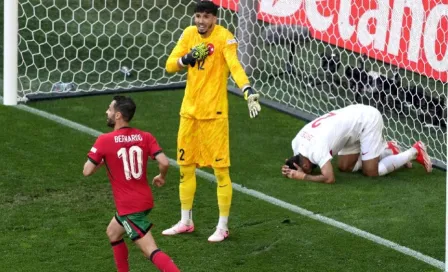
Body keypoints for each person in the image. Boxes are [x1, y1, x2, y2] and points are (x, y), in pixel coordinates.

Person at [162, 0, 261, 242]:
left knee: (220, 172)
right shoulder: (188, 34)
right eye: (198, 16)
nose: (201, 21)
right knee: (185, 169)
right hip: (189, 114)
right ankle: (186, 221)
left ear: (214, 18)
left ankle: (223, 227)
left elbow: (235, 66)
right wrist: (187, 58)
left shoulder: (224, 38)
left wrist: (247, 89)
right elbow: (169, 66)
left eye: (206, 17)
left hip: (214, 116)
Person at [83, 96, 180, 272]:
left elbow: (87, 171)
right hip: (144, 201)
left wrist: (103, 159)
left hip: (129, 207)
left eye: (110, 109)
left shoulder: (104, 140)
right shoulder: (145, 136)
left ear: (118, 115)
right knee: (113, 232)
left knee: (150, 250)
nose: (107, 112)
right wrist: (161, 176)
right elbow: (164, 162)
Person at [281, 104, 432, 183]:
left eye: (307, 170)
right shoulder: (297, 142)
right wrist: (290, 165)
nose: (309, 170)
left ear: (306, 166)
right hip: (351, 125)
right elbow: (296, 159)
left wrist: (303, 177)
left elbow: (329, 178)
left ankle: (415, 151)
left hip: (367, 121)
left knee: (371, 172)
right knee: (345, 167)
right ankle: (389, 150)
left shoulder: (316, 149)